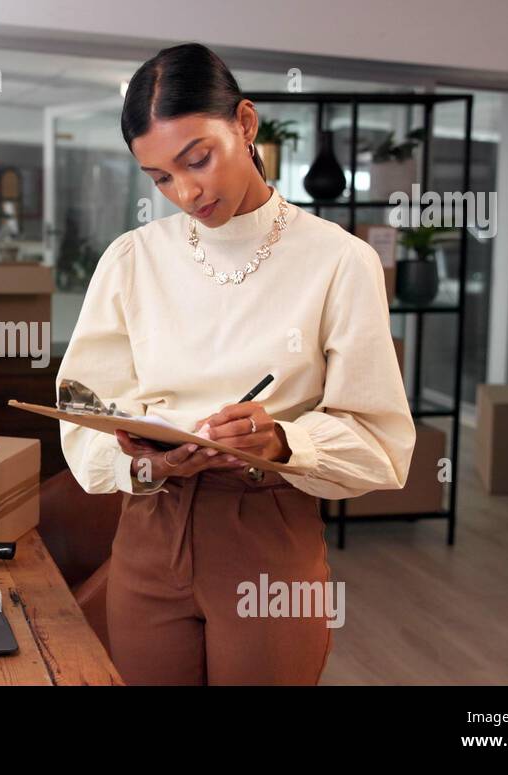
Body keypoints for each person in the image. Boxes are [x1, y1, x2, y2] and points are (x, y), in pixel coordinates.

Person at [57, 42, 416, 685]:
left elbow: (381, 443)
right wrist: (149, 457)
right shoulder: (131, 260)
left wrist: (283, 439)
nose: (185, 190)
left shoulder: (338, 261)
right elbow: (84, 416)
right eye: (161, 177)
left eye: (199, 159)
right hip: (149, 531)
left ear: (245, 125)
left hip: (265, 541)